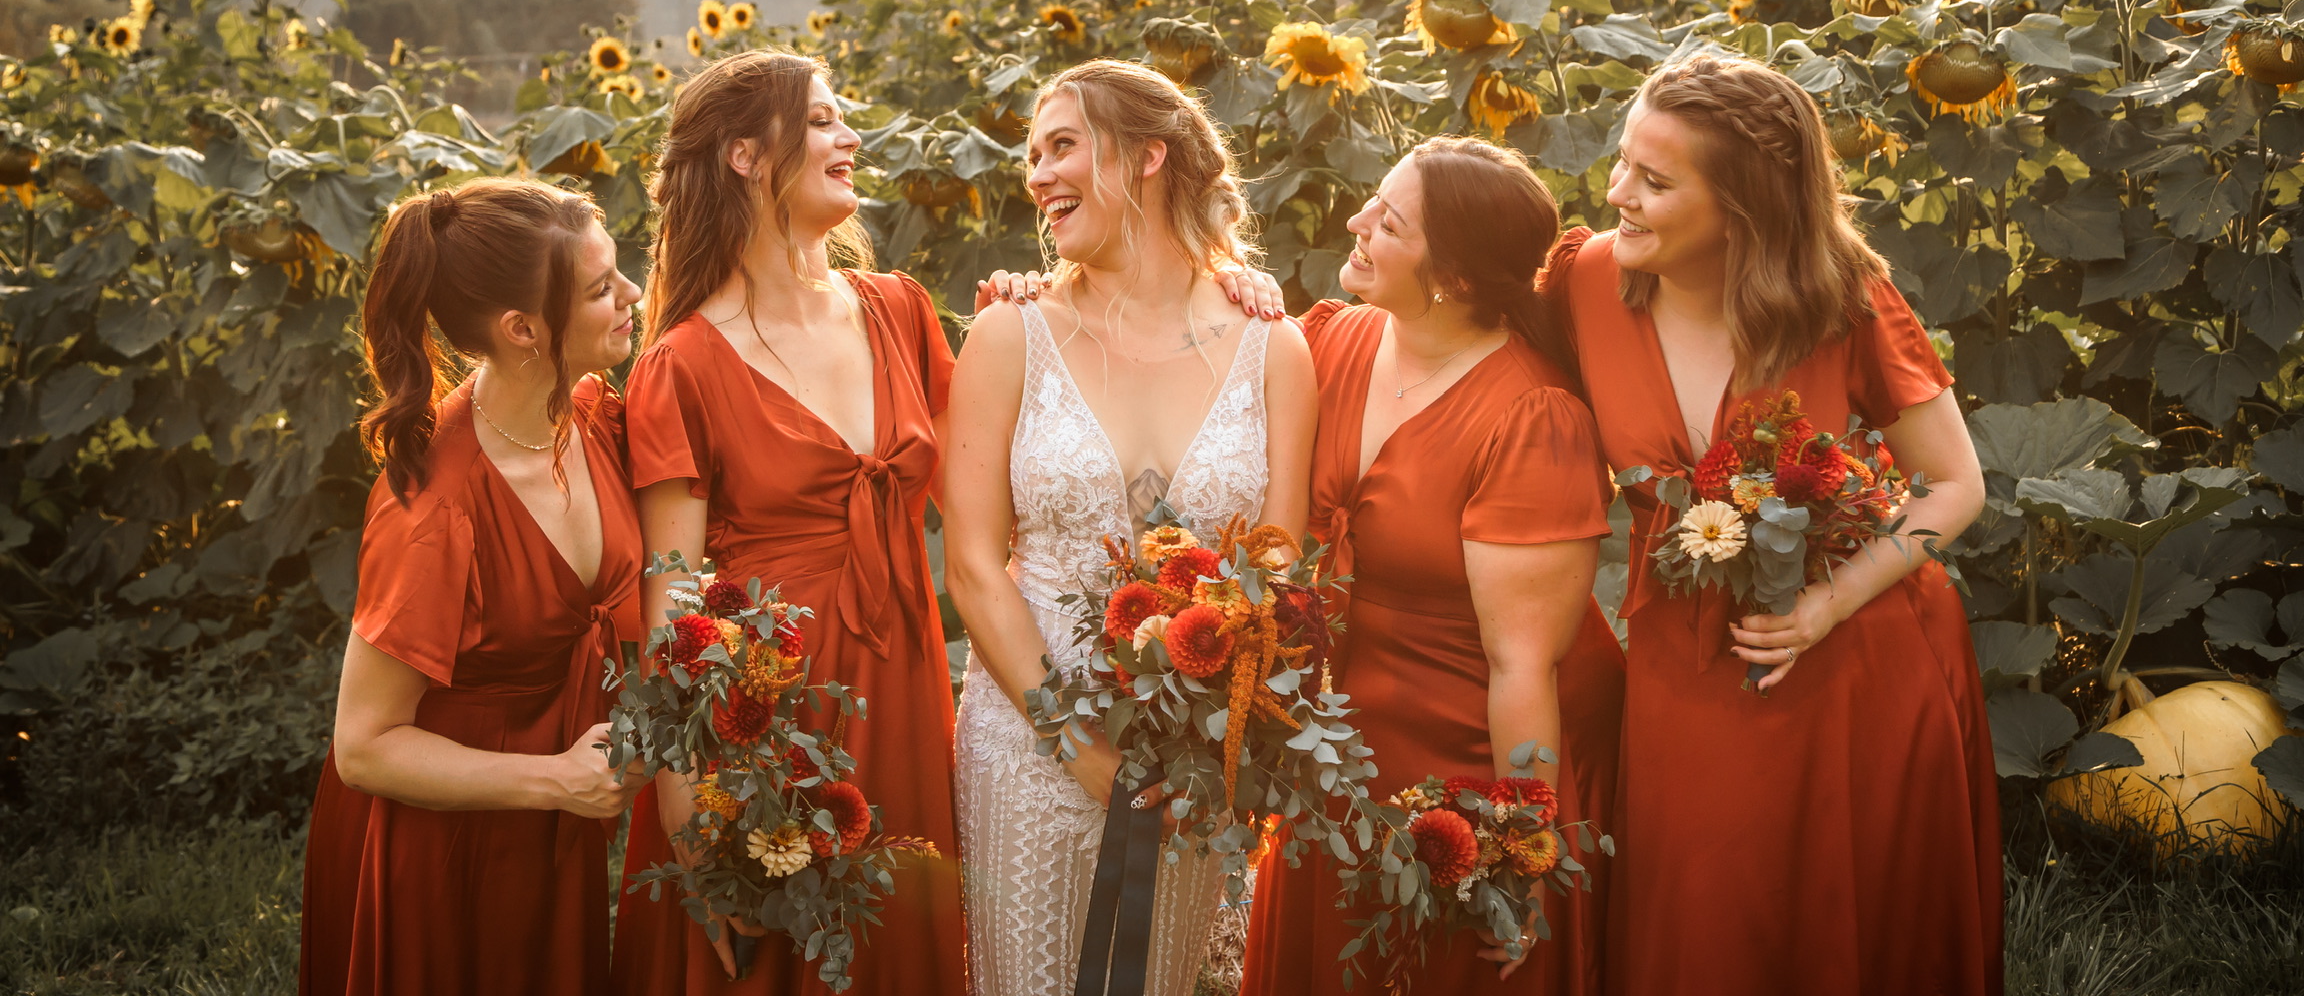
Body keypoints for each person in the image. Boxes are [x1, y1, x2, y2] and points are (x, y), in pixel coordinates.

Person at [1551, 51, 2000, 996]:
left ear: (1743, 210)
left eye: (1656, 180)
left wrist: (1828, 605)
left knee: (1848, 933)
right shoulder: (1587, 282)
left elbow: (1954, 486)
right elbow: (1448, 320)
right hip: (1680, 660)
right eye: (1623, 161)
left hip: (1855, 658)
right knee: (1699, 921)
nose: (1617, 192)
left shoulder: (1845, 299)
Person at [943, 59, 1318, 996]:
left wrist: (1213, 745)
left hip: (1189, 756)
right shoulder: (1007, 334)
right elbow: (974, 567)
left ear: (1149, 155)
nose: (1036, 175)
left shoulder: (1274, 346)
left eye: (1062, 145)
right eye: (1031, 156)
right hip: (1027, 738)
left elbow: (1277, 574)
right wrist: (1079, 749)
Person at [610, 50, 966, 996]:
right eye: (820, 121)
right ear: (742, 155)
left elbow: (1002, 494)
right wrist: (698, 837)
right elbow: (671, 619)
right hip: (767, 717)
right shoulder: (681, 363)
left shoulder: (900, 310)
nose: (850, 138)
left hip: (904, 681)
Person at [1239, 136, 1623, 995]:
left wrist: (1519, 853)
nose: (1355, 223)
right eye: (1372, 203)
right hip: (1346, 724)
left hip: (1476, 740)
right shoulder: (1330, 338)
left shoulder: (1533, 416)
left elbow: (1521, 662)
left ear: (1452, 275)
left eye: (1388, 222)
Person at [300, 177, 646, 996]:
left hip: (547, 817)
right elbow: (363, 746)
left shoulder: (591, 413)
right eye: (602, 288)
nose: (633, 294)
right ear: (522, 329)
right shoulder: (436, 507)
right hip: (440, 845)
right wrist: (557, 779)